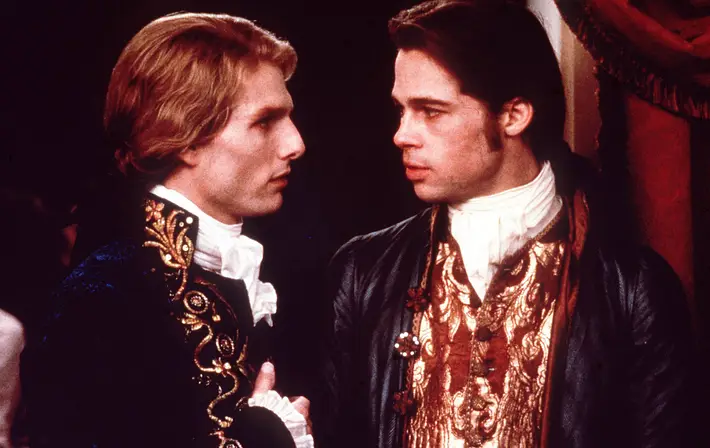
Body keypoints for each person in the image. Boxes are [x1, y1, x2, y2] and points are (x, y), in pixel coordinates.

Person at [323, 1, 696, 447]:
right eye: (402, 110)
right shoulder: (361, 272)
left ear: (514, 115)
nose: (402, 134)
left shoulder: (633, 289)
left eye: (431, 111)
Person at [23, 12, 312, 448]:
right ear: (187, 138)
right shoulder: (104, 295)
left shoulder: (243, 269)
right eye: (265, 121)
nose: (295, 143)